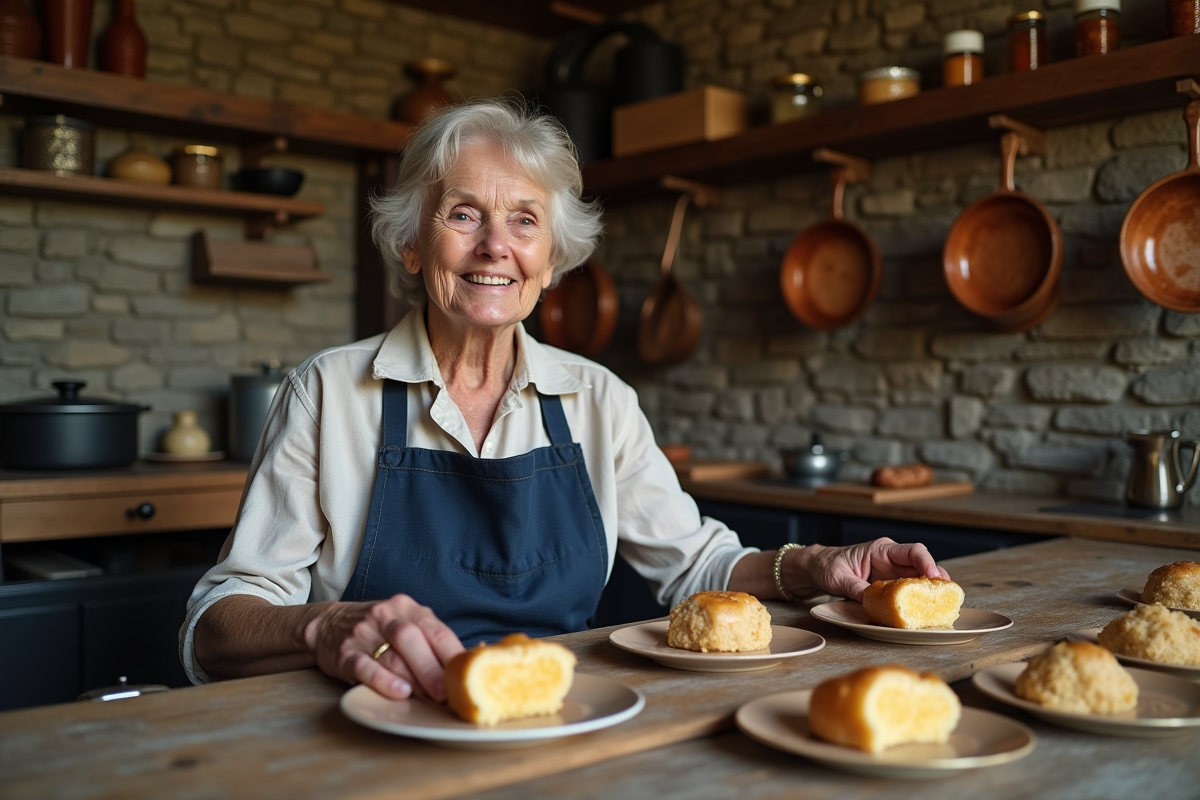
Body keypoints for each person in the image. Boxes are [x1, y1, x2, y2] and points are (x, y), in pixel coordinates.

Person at [181, 99, 950, 705]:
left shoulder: (599, 400)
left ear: (551, 262)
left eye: (525, 220)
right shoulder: (327, 392)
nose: (495, 247)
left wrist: (818, 563)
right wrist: (325, 627)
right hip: (373, 727)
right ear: (413, 246)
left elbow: (701, 564)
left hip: (561, 714)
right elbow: (216, 627)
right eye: (462, 214)